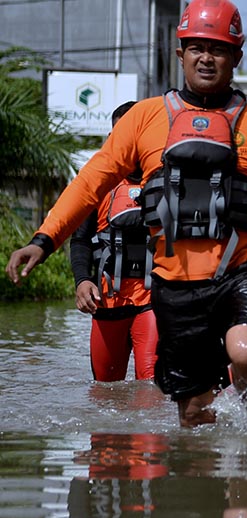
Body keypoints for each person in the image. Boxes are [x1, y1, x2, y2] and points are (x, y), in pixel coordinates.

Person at [5, 0, 247, 428]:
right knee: (194, 415)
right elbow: (90, 182)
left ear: (236, 57)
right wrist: (44, 239)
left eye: (218, 48)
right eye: (196, 46)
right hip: (175, 285)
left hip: (241, 275)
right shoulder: (143, 120)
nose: (206, 57)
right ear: (179, 52)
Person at [69, 100, 157, 382]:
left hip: (154, 299)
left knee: (151, 387)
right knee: (105, 391)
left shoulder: (165, 180)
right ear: (112, 138)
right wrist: (82, 280)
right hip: (107, 300)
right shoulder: (98, 182)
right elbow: (80, 239)